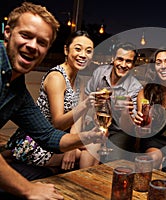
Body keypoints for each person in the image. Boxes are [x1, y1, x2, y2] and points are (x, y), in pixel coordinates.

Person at [0, 2, 106, 199]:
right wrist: (28, 189)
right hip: (30, 148)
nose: (32, 46)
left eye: (42, 42)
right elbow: (57, 122)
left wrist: (86, 137)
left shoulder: (17, 88)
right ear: (7, 32)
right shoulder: (56, 76)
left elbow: (49, 136)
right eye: (26, 35)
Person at [6, 30, 99, 172]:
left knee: (95, 145)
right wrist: (85, 105)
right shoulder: (57, 77)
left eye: (88, 51)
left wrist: (72, 146)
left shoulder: (79, 79)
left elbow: (76, 119)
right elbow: (57, 123)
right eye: (78, 49)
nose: (83, 55)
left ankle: (87, 188)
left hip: (59, 138)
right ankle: (79, 189)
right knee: (88, 151)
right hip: (36, 141)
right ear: (66, 50)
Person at [85, 42, 143, 162]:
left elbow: (129, 129)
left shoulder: (135, 87)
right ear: (113, 59)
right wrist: (92, 119)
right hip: (97, 124)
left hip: (119, 131)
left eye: (128, 61)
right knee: (87, 152)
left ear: (133, 65)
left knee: (112, 158)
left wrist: (126, 112)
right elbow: (86, 98)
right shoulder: (99, 73)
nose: (123, 65)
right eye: (120, 59)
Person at [132, 48, 166, 169]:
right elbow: (143, 129)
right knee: (154, 158)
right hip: (154, 141)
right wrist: (138, 123)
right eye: (158, 63)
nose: (163, 66)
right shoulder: (145, 92)